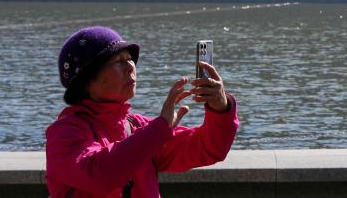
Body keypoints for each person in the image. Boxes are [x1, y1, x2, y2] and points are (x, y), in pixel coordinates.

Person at [46, 26, 240, 197]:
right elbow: (100, 174)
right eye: (117, 61)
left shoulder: (140, 128)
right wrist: (160, 129)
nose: (130, 67)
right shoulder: (64, 134)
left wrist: (221, 107)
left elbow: (208, 149)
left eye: (129, 58)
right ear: (87, 81)